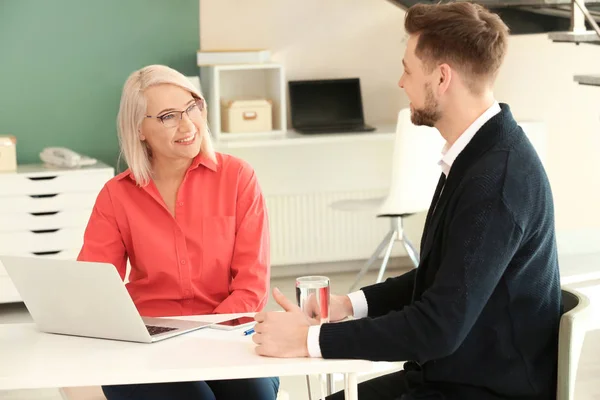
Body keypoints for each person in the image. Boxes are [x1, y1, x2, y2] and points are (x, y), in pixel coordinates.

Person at [252, 3, 561, 400]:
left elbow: (437, 328)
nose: (401, 82)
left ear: (442, 77)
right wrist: (350, 304)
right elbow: (444, 277)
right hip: (454, 376)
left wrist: (311, 339)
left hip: (485, 390)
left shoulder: (495, 179)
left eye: (408, 69)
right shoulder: (479, 155)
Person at [78, 65, 279, 400]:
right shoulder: (117, 195)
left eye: (192, 108)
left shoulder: (237, 177)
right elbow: (96, 287)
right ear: (139, 129)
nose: (188, 125)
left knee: (253, 394)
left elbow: (251, 286)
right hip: (149, 342)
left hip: (226, 334)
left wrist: (204, 338)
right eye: (169, 116)